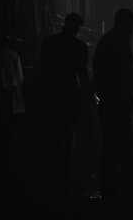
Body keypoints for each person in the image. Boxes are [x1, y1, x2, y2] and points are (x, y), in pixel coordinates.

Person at [93, 9, 133, 218]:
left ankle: (113, 192)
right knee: (121, 151)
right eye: (132, 29)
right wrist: (132, 105)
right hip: (117, 106)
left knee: (113, 150)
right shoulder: (117, 45)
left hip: (114, 105)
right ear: (125, 26)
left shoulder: (109, 43)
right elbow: (123, 80)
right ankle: (119, 196)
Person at [40, 13, 90, 199]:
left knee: (52, 138)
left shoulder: (50, 42)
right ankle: (62, 178)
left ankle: (51, 179)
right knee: (67, 138)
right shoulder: (79, 47)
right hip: (69, 97)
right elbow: (83, 75)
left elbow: (43, 69)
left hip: (53, 96)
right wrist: (88, 96)